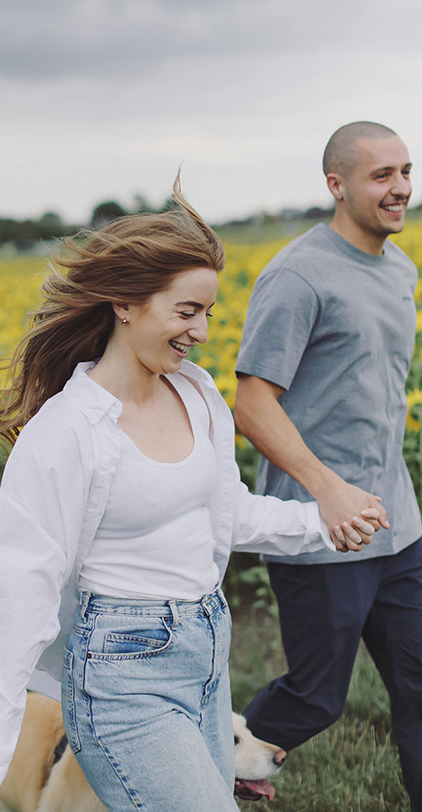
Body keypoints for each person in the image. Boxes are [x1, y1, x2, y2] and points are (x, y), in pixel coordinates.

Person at [0, 176, 381, 812]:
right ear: (125, 304)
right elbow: (10, 594)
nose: (202, 332)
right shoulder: (69, 431)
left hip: (205, 650)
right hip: (123, 672)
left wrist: (325, 521)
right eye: (186, 312)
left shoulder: (198, 395)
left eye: (208, 312)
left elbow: (225, 515)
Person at [233, 121, 422, 810]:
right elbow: (252, 403)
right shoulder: (298, 274)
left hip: (398, 528)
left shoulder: (401, 269)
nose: (400, 187)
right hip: (319, 532)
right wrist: (328, 493)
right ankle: (194, 770)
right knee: (316, 698)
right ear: (336, 185)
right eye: (382, 175)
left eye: (405, 170)